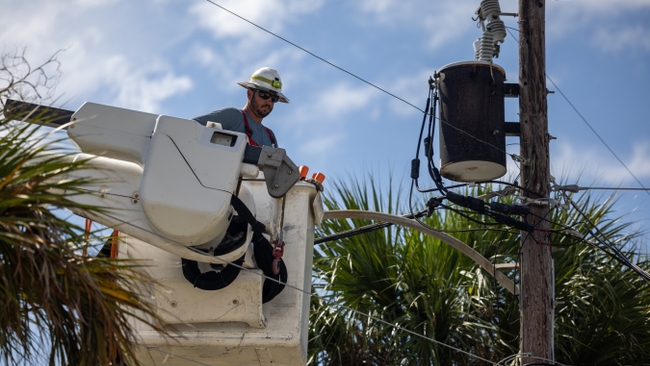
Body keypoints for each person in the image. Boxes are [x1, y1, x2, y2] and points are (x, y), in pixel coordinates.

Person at [193, 67, 289, 148]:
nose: (269, 101)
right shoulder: (234, 116)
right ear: (250, 94)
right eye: (264, 95)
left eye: (274, 98)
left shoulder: (270, 137)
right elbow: (189, 128)